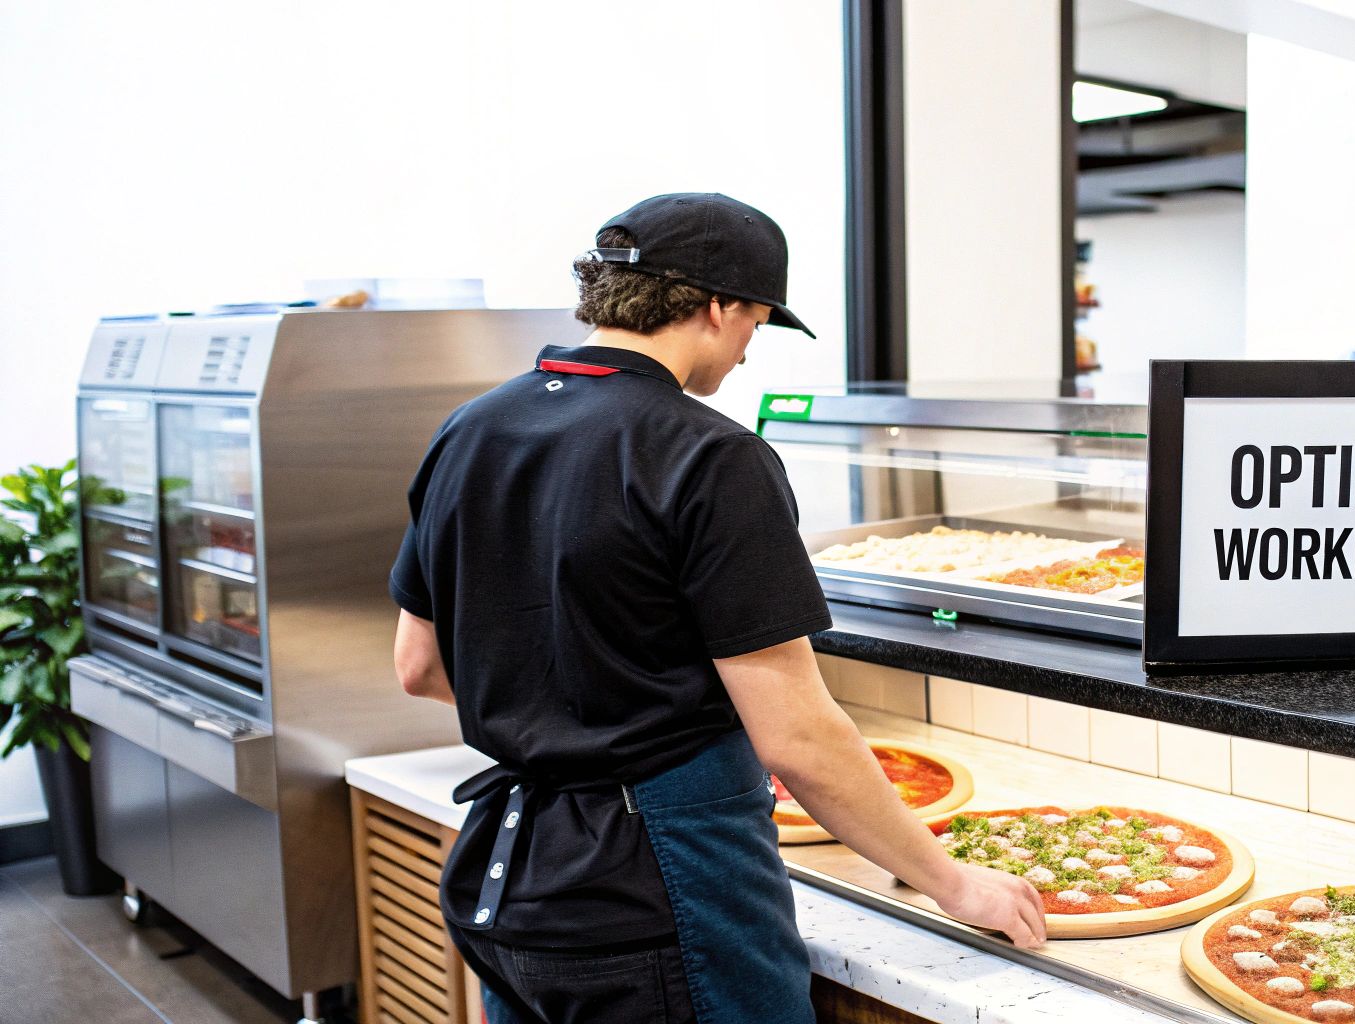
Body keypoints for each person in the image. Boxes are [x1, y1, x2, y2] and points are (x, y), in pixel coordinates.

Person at [389, 193, 1043, 1024]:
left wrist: (563, 715)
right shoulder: (710, 455)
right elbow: (797, 738)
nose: (744, 355)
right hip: (660, 881)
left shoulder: (470, 429)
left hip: (509, 875)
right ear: (716, 306)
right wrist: (953, 881)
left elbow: (419, 668)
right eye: (755, 326)